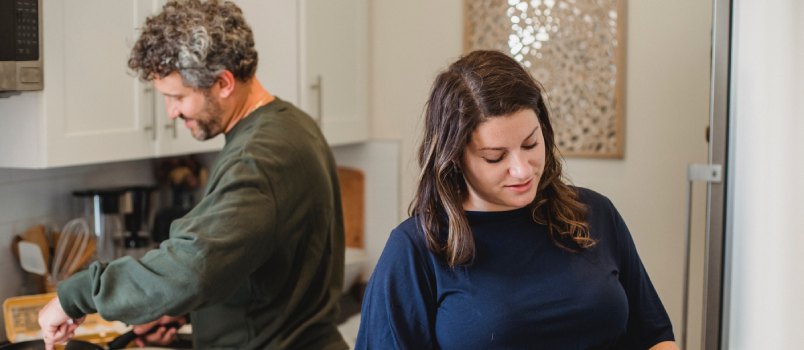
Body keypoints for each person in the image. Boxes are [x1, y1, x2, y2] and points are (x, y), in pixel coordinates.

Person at [37, 1, 348, 349]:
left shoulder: (259, 156)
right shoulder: (290, 125)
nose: (171, 112)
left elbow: (192, 266)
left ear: (223, 82)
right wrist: (180, 313)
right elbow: (250, 265)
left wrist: (75, 295)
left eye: (177, 97)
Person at [355, 50, 678, 349]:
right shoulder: (416, 249)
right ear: (454, 159)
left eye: (530, 144)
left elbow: (654, 337)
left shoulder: (594, 214)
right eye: (495, 157)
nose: (522, 170)